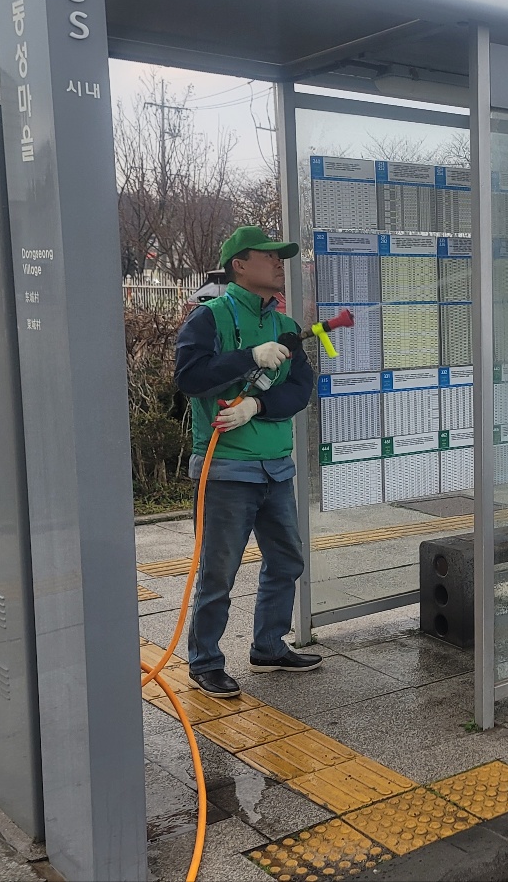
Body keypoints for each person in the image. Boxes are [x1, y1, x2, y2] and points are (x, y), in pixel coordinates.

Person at [174, 226, 321, 697]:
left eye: (282, 258)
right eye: (270, 257)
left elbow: (301, 386)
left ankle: (268, 646)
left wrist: (258, 405)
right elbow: (191, 378)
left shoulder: (282, 324)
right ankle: (205, 661)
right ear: (240, 263)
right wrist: (247, 357)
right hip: (226, 470)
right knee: (219, 571)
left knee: (287, 559)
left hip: (275, 467)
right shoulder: (209, 318)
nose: (280, 264)